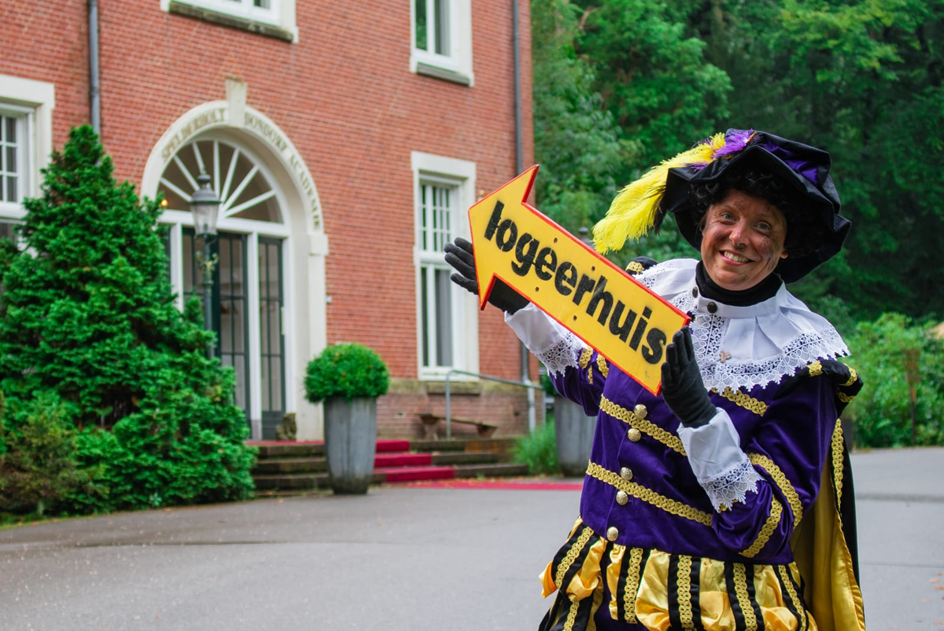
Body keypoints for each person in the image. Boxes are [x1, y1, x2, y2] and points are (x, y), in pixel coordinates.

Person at [445, 129, 866, 631]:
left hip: (712, 609)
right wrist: (521, 304)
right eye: (727, 216)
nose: (738, 237)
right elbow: (592, 383)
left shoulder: (800, 359)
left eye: (763, 226)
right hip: (598, 590)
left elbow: (767, 531)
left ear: (787, 246)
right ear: (705, 219)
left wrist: (701, 419)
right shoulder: (657, 289)